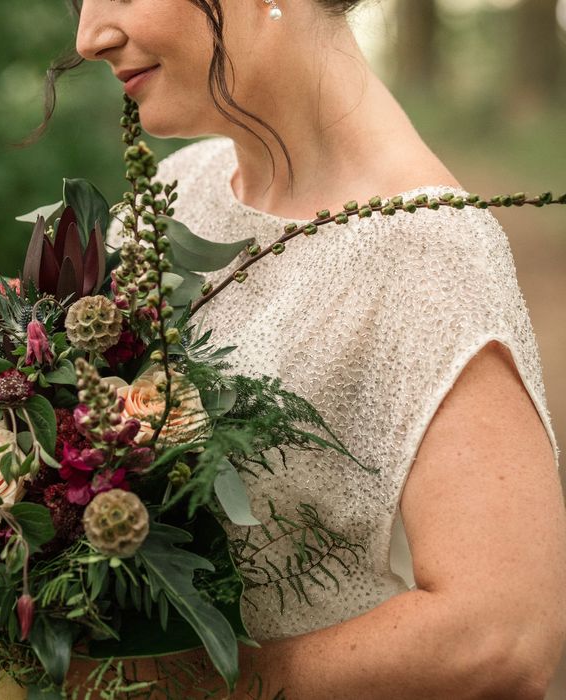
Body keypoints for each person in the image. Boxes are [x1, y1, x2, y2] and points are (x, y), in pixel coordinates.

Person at [45, 0, 566, 697]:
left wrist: (181, 684)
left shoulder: (427, 250)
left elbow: (503, 634)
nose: (90, 35)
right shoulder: (175, 191)